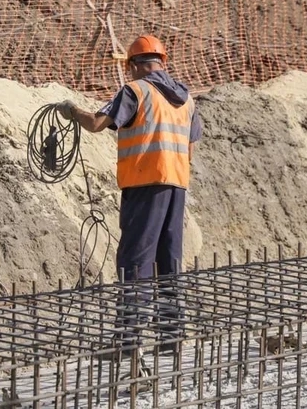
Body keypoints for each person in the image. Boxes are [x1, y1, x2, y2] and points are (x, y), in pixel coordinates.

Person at [57, 34, 202, 349]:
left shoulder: (135, 90)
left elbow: (97, 123)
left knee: (135, 259)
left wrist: (72, 111)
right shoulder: (187, 100)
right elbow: (189, 149)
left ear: (133, 66)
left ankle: (128, 338)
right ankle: (172, 336)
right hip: (176, 186)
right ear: (163, 63)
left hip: (144, 186)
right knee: (169, 259)